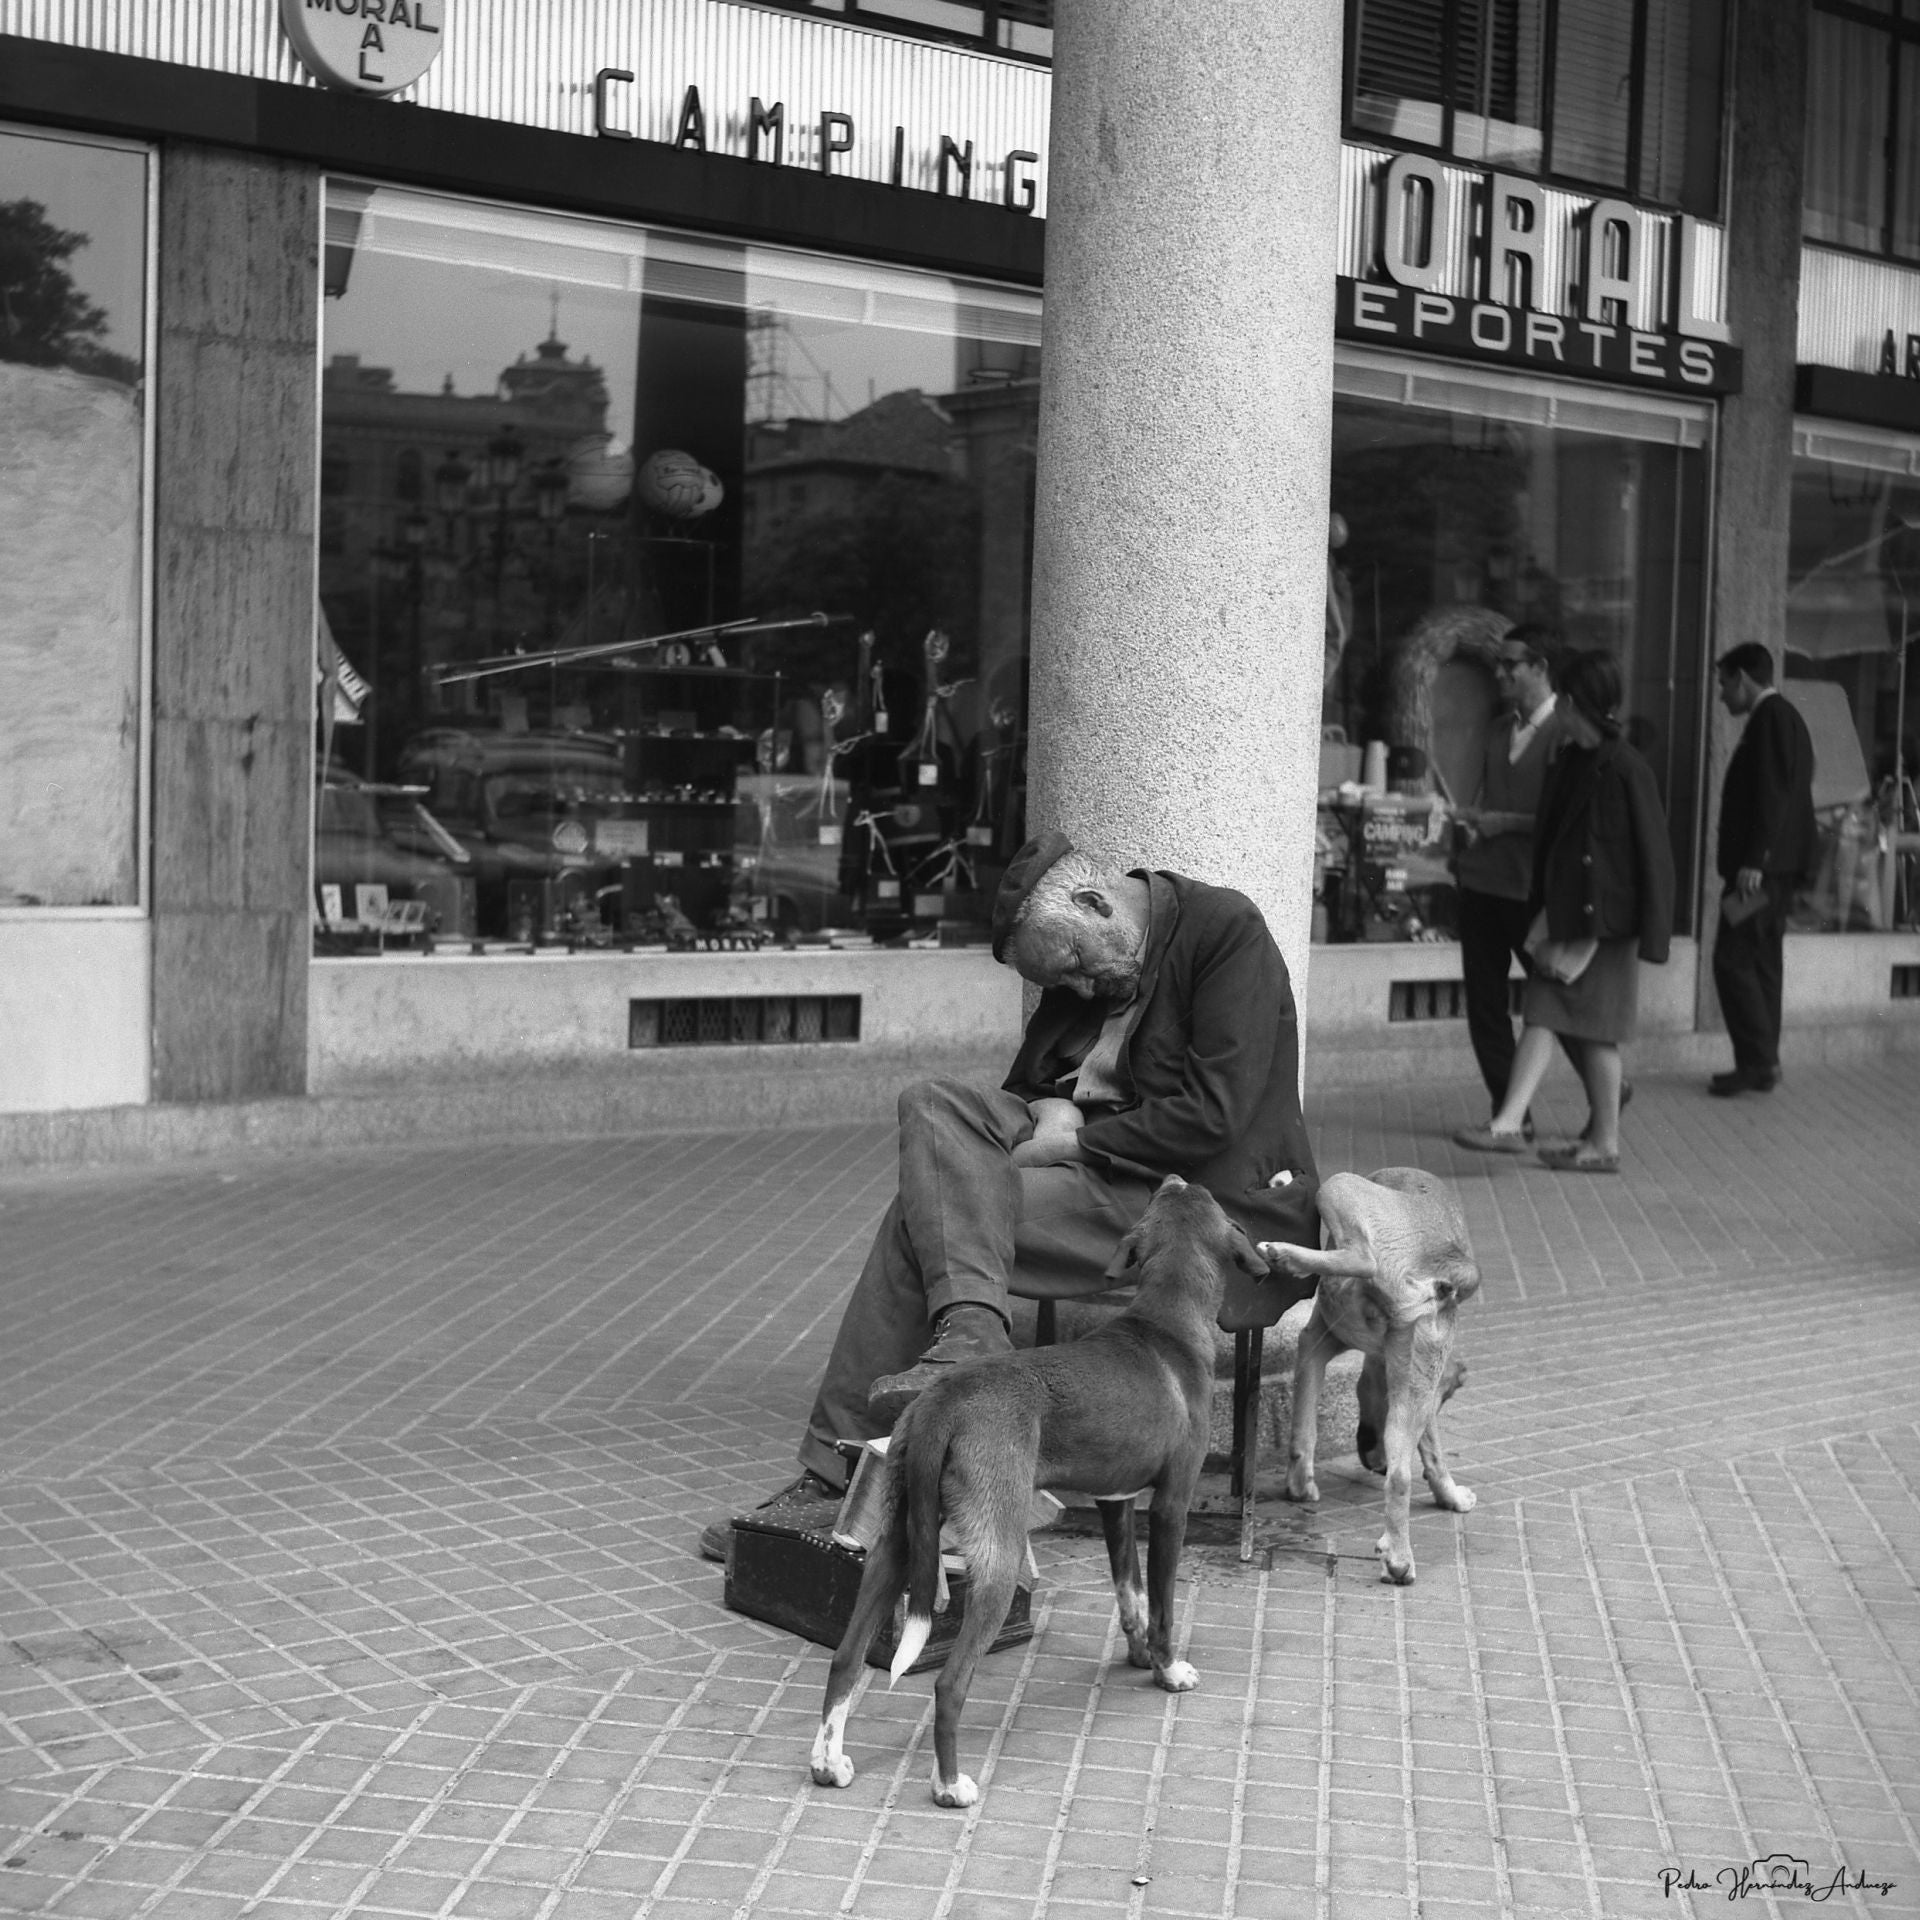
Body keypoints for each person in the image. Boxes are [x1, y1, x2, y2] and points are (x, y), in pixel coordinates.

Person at [699, 831, 1322, 1558]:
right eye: (1065, 982)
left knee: (919, 1216)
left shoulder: (1224, 932)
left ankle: (838, 1476)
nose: (1081, 990)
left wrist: (1079, 1137)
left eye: (1079, 970)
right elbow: (1025, 1083)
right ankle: (969, 1333)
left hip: (1181, 1202)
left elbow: (1217, 1110)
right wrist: (1050, 1105)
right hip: (1079, 1162)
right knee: (933, 1104)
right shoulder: (1082, 961)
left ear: (1095, 906)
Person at [1451, 649, 1674, 1174]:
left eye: (1564, 703)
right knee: (1574, 1022)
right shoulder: (1573, 759)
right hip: (1571, 917)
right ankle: (1596, 1142)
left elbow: (1653, 854)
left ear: (1575, 704)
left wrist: (1654, 935)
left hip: (1605, 925)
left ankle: (1520, 1125)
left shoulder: (1625, 765)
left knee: (1567, 1018)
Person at [1449, 623, 1573, 1133]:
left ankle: (1606, 1080)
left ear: (1540, 668)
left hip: (1531, 889)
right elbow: (1484, 800)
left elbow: (1568, 816)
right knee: (1485, 1005)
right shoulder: (1500, 730)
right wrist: (1470, 828)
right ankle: (1510, 1113)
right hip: (1481, 882)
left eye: (1511, 664)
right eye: (1499, 663)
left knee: (1558, 996)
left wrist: (1506, 824)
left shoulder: (1568, 730)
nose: (1500, 672)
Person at [1709, 641, 1816, 1096]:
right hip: (1776, 870)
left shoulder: (1770, 719)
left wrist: (1755, 860)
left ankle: (1758, 1062)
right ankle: (1763, 1061)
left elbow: (1773, 796)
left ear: (1743, 678)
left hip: (1761, 873)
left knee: (1731, 959)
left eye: (1723, 684)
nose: (1720, 696)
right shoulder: (1786, 719)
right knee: (1763, 961)